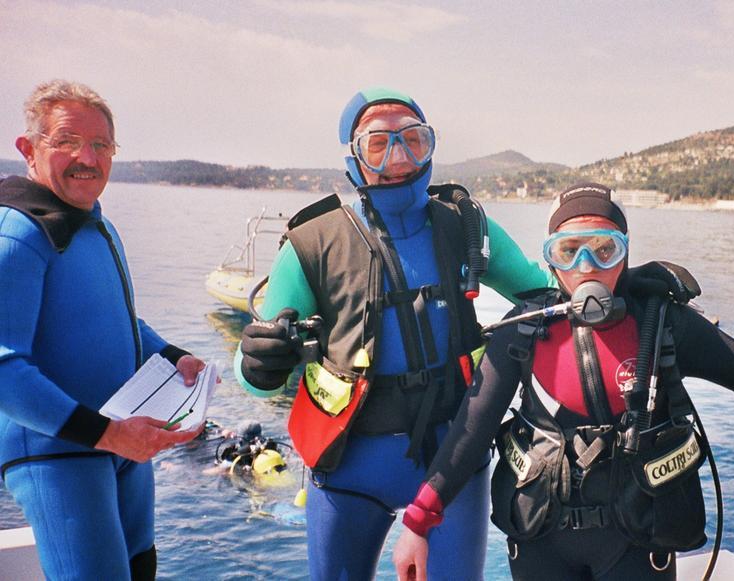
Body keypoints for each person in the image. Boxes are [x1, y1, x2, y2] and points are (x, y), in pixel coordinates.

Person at [392, 182, 734, 580]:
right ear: (551, 261)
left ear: (625, 253)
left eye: (604, 249)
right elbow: (470, 432)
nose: (587, 266)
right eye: (568, 250)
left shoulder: (664, 325)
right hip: (540, 540)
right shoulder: (524, 330)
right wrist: (417, 521)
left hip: (637, 541)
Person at [235, 87, 555, 580]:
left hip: (453, 465)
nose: (400, 158)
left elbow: (549, 294)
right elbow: (254, 377)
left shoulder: (466, 227)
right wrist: (257, 363)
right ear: (353, 157)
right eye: (379, 144)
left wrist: (619, 285)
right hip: (347, 468)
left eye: (414, 140)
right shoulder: (313, 242)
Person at [0, 80, 209, 580]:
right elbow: (4, 369)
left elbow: (114, 318)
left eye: (101, 144)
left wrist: (173, 356)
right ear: (28, 149)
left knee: (141, 568)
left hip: (121, 444)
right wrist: (109, 435)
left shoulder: (95, 225)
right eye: (67, 141)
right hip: (59, 452)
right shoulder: (20, 232)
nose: (87, 158)